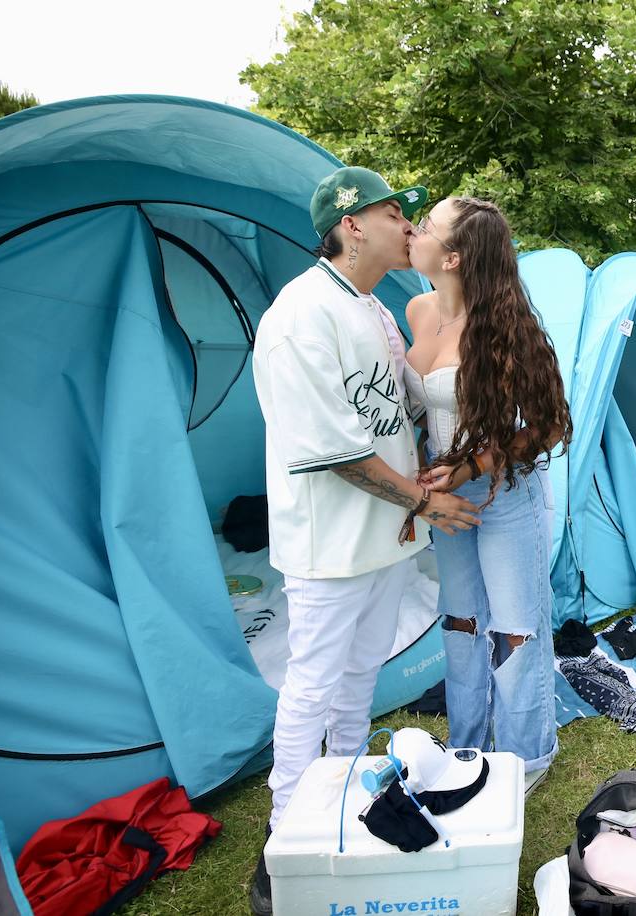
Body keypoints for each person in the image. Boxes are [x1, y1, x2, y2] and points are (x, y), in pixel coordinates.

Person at [249, 167, 479, 916]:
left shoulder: (373, 311)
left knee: (356, 681)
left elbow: (400, 405)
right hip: (330, 545)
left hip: (386, 539)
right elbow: (335, 451)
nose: (407, 225)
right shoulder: (301, 316)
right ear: (351, 225)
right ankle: (284, 835)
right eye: (392, 212)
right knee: (312, 682)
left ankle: (342, 793)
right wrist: (426, 500)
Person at [405, 196, 572, 795]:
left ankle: (526, 758)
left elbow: (552, 423)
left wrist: (473, 462)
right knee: (459, 622)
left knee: (515, 630)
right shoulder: (417, 309)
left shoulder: (507, 326)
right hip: (447, 503)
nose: (411, 230)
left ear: (452, 257)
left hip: (504, 497)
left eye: (425, 227)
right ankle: (467, 745)